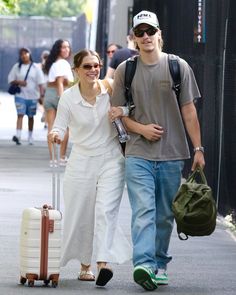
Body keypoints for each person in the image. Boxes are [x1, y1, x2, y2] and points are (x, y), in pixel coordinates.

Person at [110, 10, 205, 291]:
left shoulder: (178, 66)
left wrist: (198, 148)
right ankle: (143, 264)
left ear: (159, 34)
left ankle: (160, 263)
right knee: (143, 211)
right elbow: (118, 115)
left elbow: (189, 112)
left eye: (150, 31)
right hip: (138, 153)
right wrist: (141, 129)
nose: (145, 37)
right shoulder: (125, 70)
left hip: (173, 155)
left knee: (164, 215)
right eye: (139, 33)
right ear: (134, 38)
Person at [48, 49, 132, 287]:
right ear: (76, 70)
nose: (93, 70)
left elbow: (132, 106)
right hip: (81, 161)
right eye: (87, 66)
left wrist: (122, 111)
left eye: (96, 65)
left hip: (111, 158)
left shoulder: (110, 88)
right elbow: (60, 126)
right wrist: (55, 134)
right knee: (81, 213)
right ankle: (85, 265)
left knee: (105, 211)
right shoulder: (69, 98)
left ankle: (102, 263)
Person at [43, 39, 74, 167]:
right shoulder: (62, 63)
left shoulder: (53, 63)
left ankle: (53, 159)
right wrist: (63, 100)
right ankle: (61, 157)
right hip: (59, 94)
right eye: (63, 47)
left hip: (49, 94)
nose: (67, 50)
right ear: (58, 49)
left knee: (51, 128)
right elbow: (60, 82)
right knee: (65, 128)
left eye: (68, 47)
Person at [8, 47, 45, 145]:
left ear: (29, 54)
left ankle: (30, 136)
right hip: (20, 95)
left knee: (30, 116)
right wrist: (19, 81)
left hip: (33, 96)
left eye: (26, 53)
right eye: (22, 54)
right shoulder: (17, 67)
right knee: (20, 114)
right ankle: (18, 136)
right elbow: (11, 79)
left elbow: (41, 83)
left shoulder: (35, 68)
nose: (24, 55)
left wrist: (41, 96)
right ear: (20, 56)